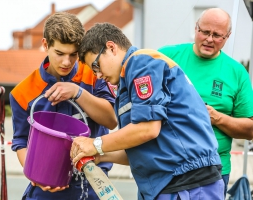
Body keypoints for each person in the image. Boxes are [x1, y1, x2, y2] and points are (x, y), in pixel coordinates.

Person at [71, 22, 224, 200]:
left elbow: (147, 129)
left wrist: (95, 144)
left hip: (187, 184)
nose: (98, 76)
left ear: (111, 47)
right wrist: (101, 156)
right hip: (171, 184)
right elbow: (141, 149)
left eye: (96, 66)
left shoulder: (140, 62)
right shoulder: (126, 85)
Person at [9, 12, 117, 200]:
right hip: (46, 190)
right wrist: (38, 176)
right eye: (59, 53)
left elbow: (111, 120)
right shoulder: (22, 93)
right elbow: (20, 142)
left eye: (73, 55)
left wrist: (78, 92)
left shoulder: (94, 74)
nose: (66, 62)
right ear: (45, 45)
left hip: (92, 184)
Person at [158, 8, 253, 196]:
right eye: (205, 32)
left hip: (213, 172)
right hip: (166, 166)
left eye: (217, 35)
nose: (209, 39)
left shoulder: (236, 72)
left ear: (227, 37)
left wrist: (216, 118)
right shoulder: (165, 57)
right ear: (196, 28)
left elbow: (250, 130)